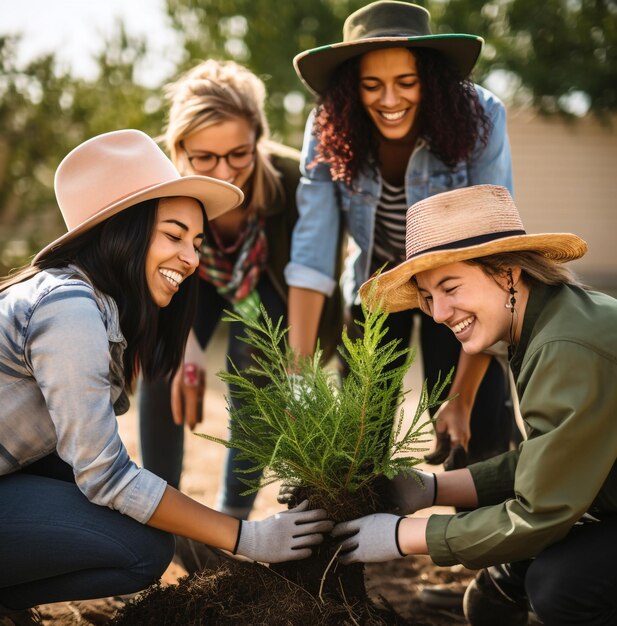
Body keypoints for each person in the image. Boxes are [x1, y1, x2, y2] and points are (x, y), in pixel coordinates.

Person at [0, 129, 334, 622]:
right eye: (174, 236)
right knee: (142, 548)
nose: (192, 259)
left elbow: (82, 460)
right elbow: (104, 477)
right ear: (121, 230)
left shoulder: (81, 299)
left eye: (197, 242)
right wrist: (247, 536)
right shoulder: (68, 309)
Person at [332, 184, 617, 626]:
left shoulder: (564, 346)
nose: (439, 313)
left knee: (560, 586)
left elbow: (540, 514)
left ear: (507, 272)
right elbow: (553, 460)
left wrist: (400, 534)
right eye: (428, 297)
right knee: (505, 582)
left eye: (450, 287)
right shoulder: (551, 319)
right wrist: (433, 490)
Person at [286, 0, 517, 475]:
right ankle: (366, 537)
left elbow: (494, 249)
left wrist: (461, 396)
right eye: (372, 85)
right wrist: (300, 379)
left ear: (430, 79)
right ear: (352, 88)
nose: (389, 100)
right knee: (359, 433)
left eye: (406, 83)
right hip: (377, 279)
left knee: (476, 433)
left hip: (462, 278)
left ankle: (495, 534)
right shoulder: (328, 127)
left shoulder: (482, 116)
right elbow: (312, 251)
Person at [139, 59, 342, 529]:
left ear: (259, 141)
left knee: (258, 364)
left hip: (269, 285)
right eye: (204, 158)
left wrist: (297, 367)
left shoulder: (295, 181)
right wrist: (181, 348)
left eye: (238, 155)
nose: (225, 171)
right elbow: (149, 277)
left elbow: (313, 274)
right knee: (163, 363)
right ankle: (158, 511)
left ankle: (232, 516)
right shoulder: (154, 183)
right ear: (178, 147)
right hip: (195, 282)